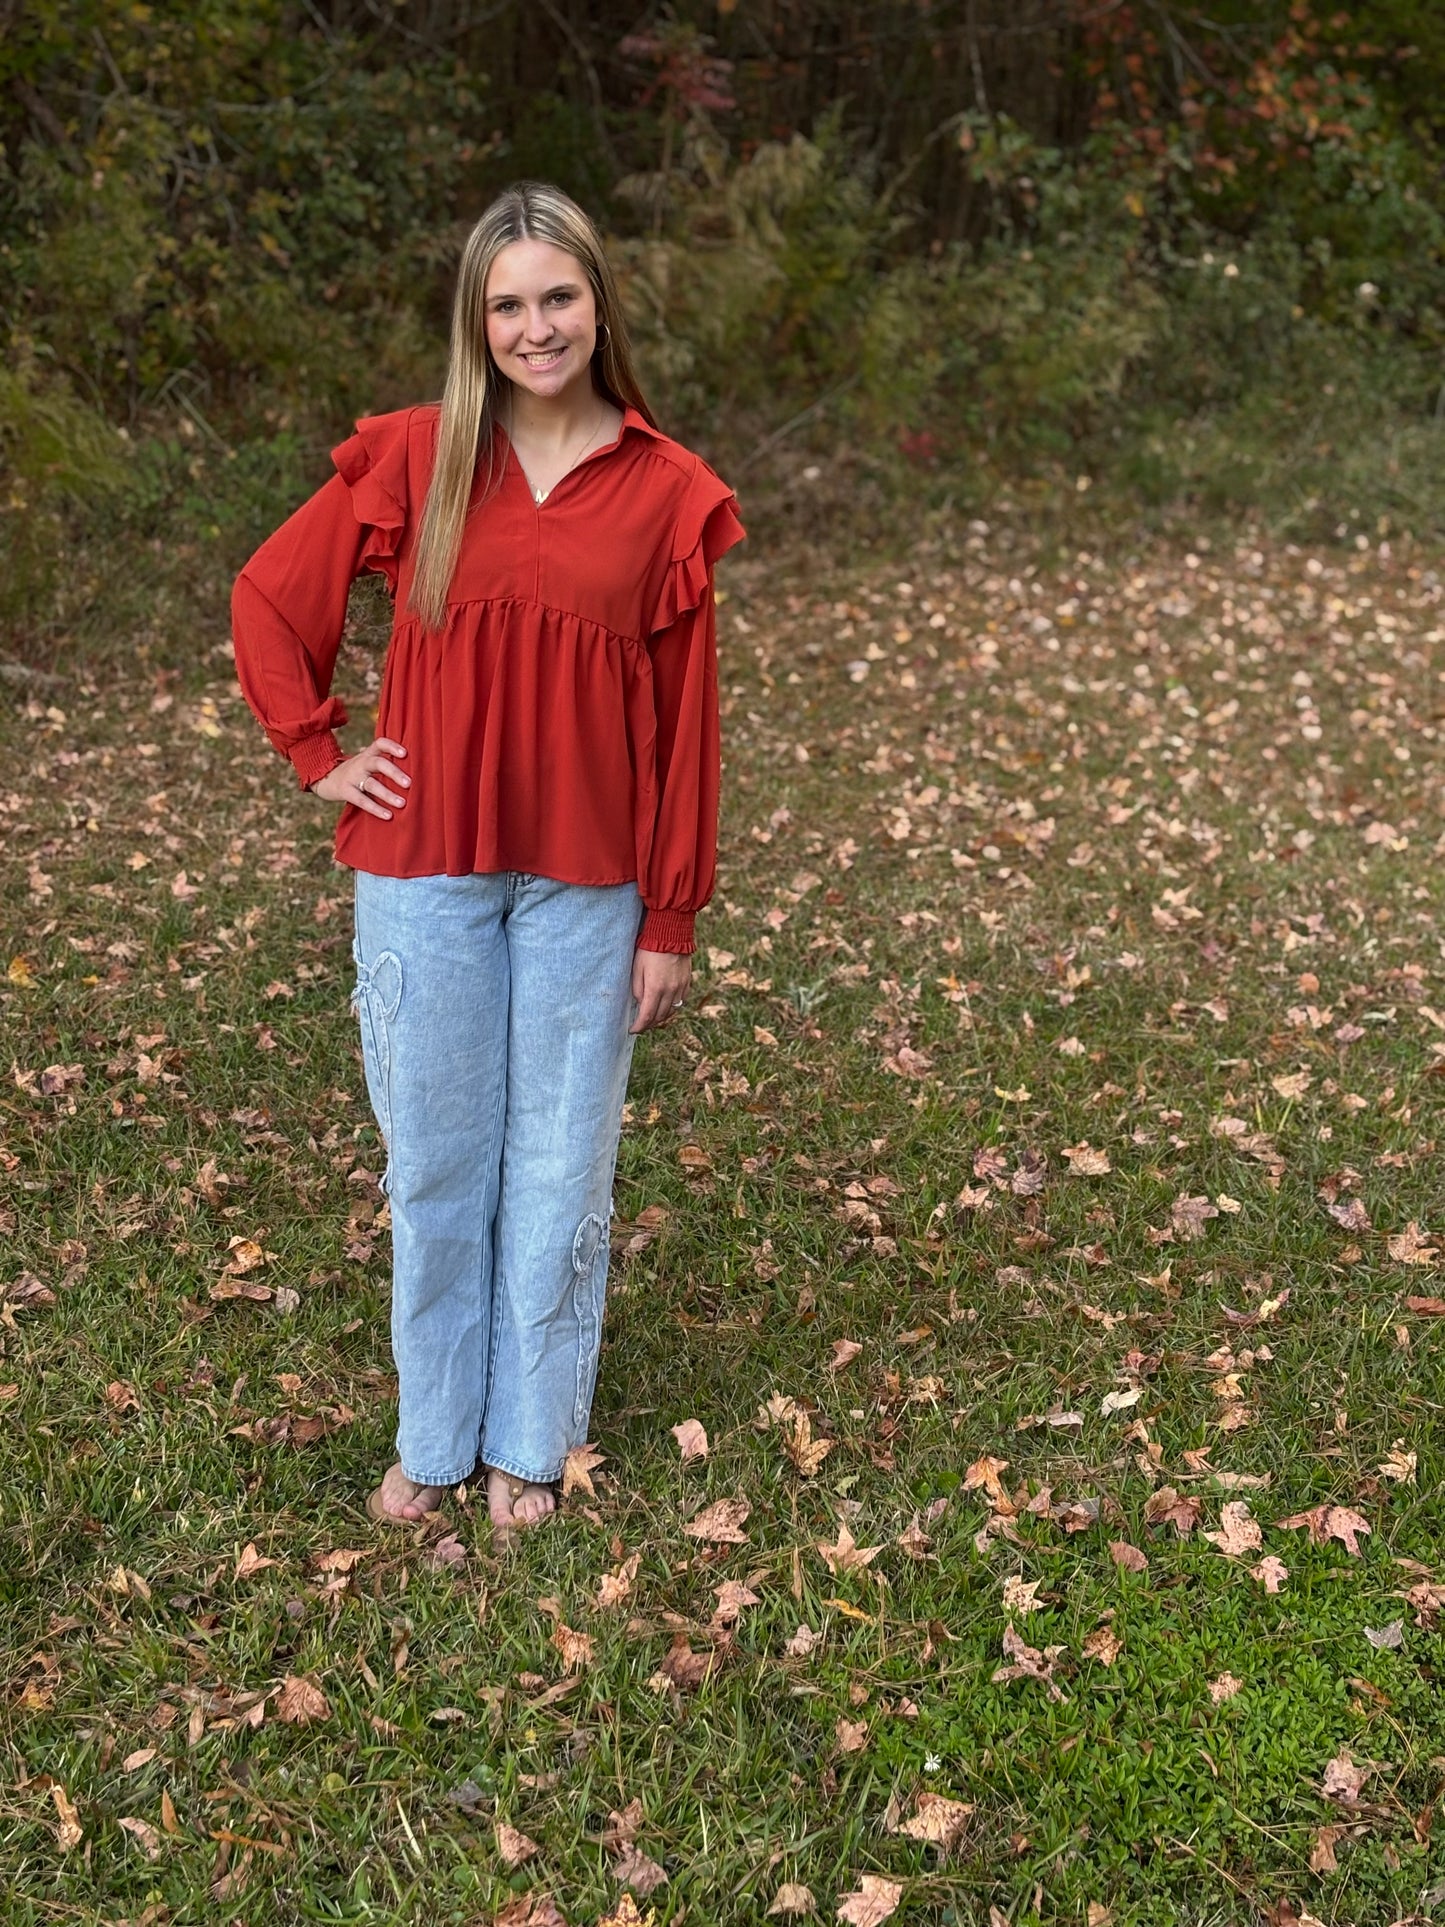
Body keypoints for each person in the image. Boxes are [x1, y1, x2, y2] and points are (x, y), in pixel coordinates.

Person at [231, 181, 744, 1534]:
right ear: (477, 322)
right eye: (507, 304)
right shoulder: (417, 457)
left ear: (598, 306)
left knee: (562, 1164)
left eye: (558, 297)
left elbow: (686, 726)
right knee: (437, 1162)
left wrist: (669, 916)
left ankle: (530, 1441)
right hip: (424, 871)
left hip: (590, 881)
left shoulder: (665, 493)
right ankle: (434, 1434)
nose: (535, 327)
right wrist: (316, 746)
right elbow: (268, 596)